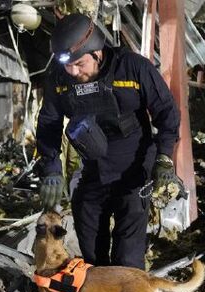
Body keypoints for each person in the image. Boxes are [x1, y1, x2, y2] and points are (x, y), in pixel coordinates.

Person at [36, 13, 180, 270]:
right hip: (93, 168)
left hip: (134, 167)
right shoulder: (59, 78)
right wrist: (51, 169)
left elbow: (167, 113)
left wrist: (164, 158)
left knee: (126, 257)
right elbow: (49, 123)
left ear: (97, 53)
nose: (73, 72)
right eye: (68, 66)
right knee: (91, 252)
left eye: (79, 64)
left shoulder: (133, 68)